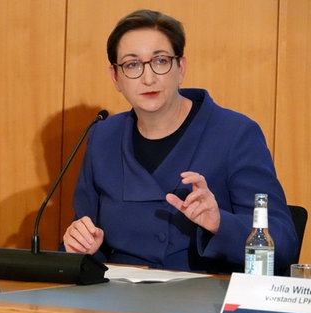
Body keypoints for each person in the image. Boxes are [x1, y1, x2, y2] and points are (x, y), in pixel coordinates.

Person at [62, 9, 298, 274]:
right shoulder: (102, 137)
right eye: (132, 65)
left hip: (205, 301)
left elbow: (284, 244)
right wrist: (80, 245)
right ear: (115, 77)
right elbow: (85, 232)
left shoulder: (235, 134)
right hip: (117, 300)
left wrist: (221, 223)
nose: (148, 78)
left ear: (180, 67)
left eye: (160, 61)